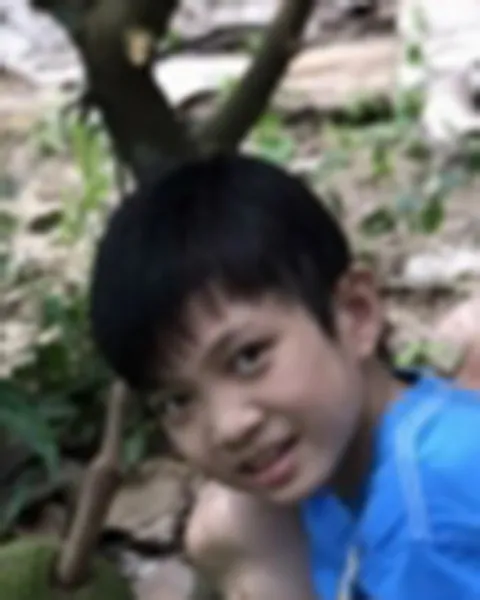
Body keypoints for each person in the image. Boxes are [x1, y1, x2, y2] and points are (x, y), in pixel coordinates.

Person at [90, 154, 480, 600]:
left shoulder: (424, 512)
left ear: (355, 313)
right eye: (178, 401)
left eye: (248, 357)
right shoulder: (356, 457)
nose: (228, 427)